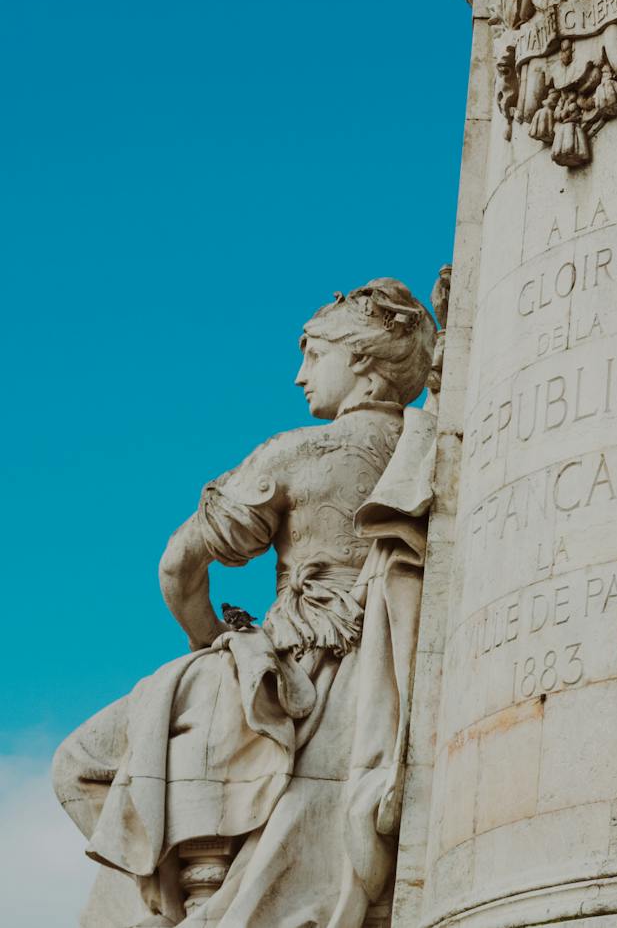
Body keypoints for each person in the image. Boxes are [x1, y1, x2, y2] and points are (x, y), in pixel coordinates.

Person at [54, 279, 439, 927]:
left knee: (80, 763)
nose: (299, 375)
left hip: (285, 675)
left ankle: (167, 909)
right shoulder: (441, 453)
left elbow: (179, 565)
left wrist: (213, 649)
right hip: (395, 680)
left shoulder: (298, 453)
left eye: (314, 354)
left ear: (365, 363)